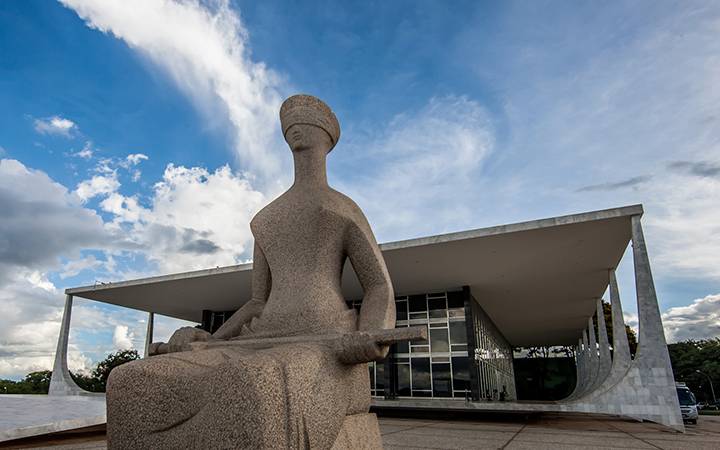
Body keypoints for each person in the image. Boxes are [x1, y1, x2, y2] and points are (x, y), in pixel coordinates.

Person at [106, 95, 396, 449]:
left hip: (324, 341)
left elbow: (379, 285)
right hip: (257, 339)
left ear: (328, 136)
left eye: (305, 120)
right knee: (132, 380)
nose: (295, 128)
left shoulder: (342, 208)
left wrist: (369, 335)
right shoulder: (266, 219)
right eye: (288, 123)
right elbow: (258, 301)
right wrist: (213, 340)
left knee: (251, 383)